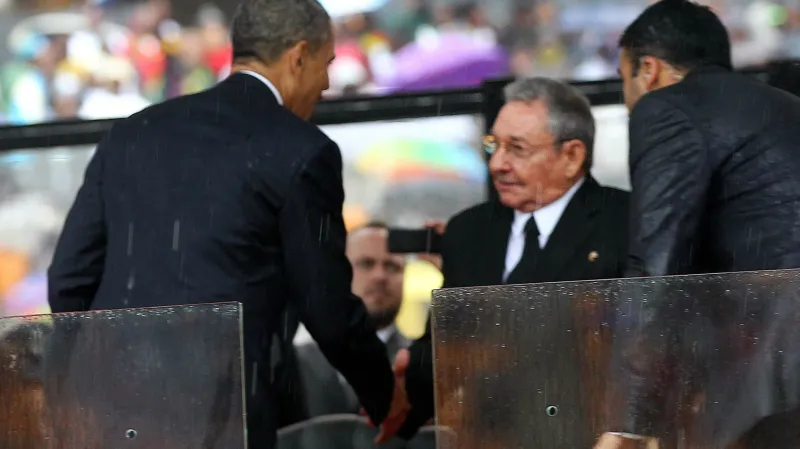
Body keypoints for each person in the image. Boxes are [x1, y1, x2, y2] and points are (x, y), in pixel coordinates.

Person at [46, 0, 409, 447]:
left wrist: (88, 385)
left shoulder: (132, 132)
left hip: (110, 414)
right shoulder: (301, 150)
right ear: (298, 57)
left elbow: (68, 281)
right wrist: (384, 394)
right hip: (219, 415)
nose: (327, 82)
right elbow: (325, 304)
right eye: (326, 63)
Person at [595, 1, 800, 448]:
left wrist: (627, 425)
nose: (627, 99)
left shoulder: (667, 109)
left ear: (647, 70)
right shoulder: (784, 106)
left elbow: (656, 268)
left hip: (777, 364)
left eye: (622, 79)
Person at [396, 77, 630, 436]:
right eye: (493, 146)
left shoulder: (624, 223)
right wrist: (403, 386)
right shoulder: (469, 231)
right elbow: (444, 345)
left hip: (590, 431)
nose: (497, 164)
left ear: (572, 156)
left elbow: (635, 352)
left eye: (517, 149)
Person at [296, 222, 410, 418]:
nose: (379, 276)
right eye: (366, 264)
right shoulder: (295, 364)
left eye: (392, 266)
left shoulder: (425, 366)